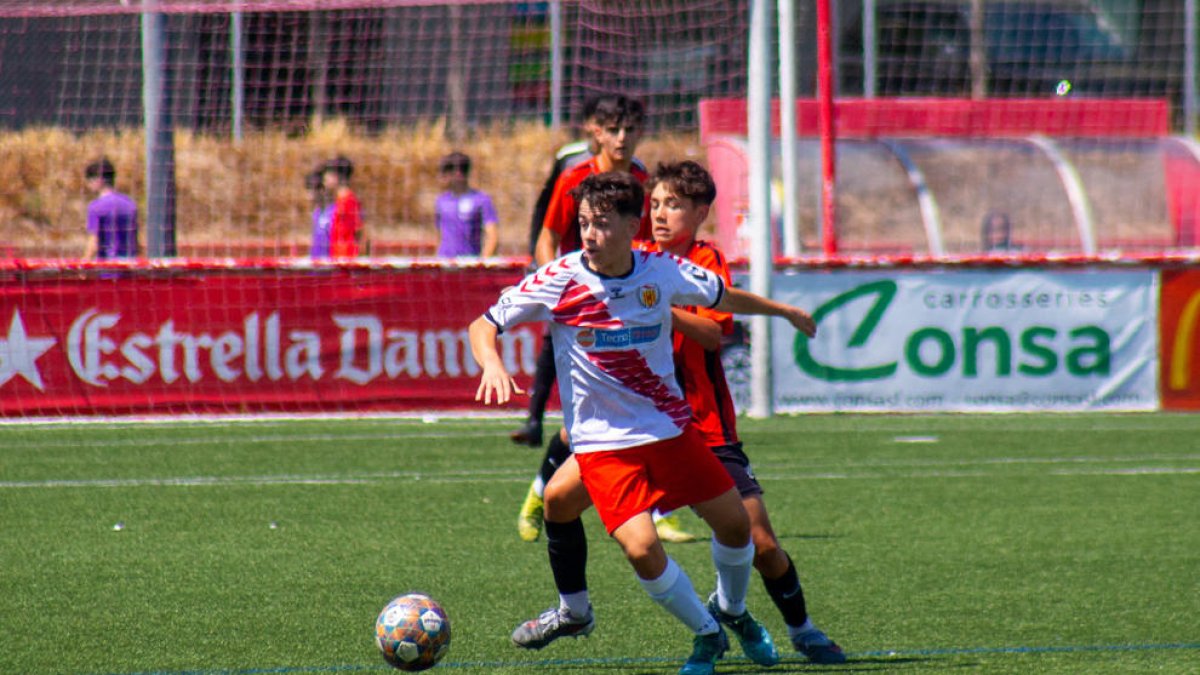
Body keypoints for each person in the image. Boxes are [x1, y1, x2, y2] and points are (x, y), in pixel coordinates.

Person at [470, 172, 819, 675]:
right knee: (639, 546)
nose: (589, 235)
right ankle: (705, 634)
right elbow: (483, 325)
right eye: (584, 224)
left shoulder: (659, 269)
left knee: (736, 525)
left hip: (670, 430)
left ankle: (732, 612)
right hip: (602, 445)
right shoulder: (561, 278)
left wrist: (783, 310)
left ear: (631, 225)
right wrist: (493, 363)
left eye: (601, 224)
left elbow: (724, 297)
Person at [512, 94, 695, 545]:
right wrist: (554, 282)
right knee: (581, 423)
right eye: (613, 129)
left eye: (630, 129)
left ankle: (662, 507)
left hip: (634, 303)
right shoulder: (576, 175)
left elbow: (649, 243)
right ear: (595, 131)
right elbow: (549, 235)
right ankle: (541, 494)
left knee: (655, 403)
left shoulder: (640, 180)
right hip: (584, 305)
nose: (622, 138)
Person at [434, 152, 499, 257]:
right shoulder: (441, 201)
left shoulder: (481, 200)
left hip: (468, 262)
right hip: (444, 262)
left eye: (463, 169)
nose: (458, 173)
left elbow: (492, 235)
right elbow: (438, 235)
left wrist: (482, 263)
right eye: (451, 169)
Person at [84, 157, 140, 260]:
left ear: (98, 180)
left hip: (108, 268)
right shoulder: (130, 204)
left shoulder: (96, 207)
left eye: (89, 181)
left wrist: (83, 264)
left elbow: (94, 243)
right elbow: (135, 241)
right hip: (129, 267)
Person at [323, 156, 364, 258]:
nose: (325, 177)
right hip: (337, 255)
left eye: (329, 174)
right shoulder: (339, 200)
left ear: (338, 177)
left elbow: (359, 230)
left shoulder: (348, 201)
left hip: (346, 257)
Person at [307, 168, 334, 258]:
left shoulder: (334, 211)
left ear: (322, 190)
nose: (309, 195)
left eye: (312, 190)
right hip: (316, 265)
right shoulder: (316, 213)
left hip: (330, 265)